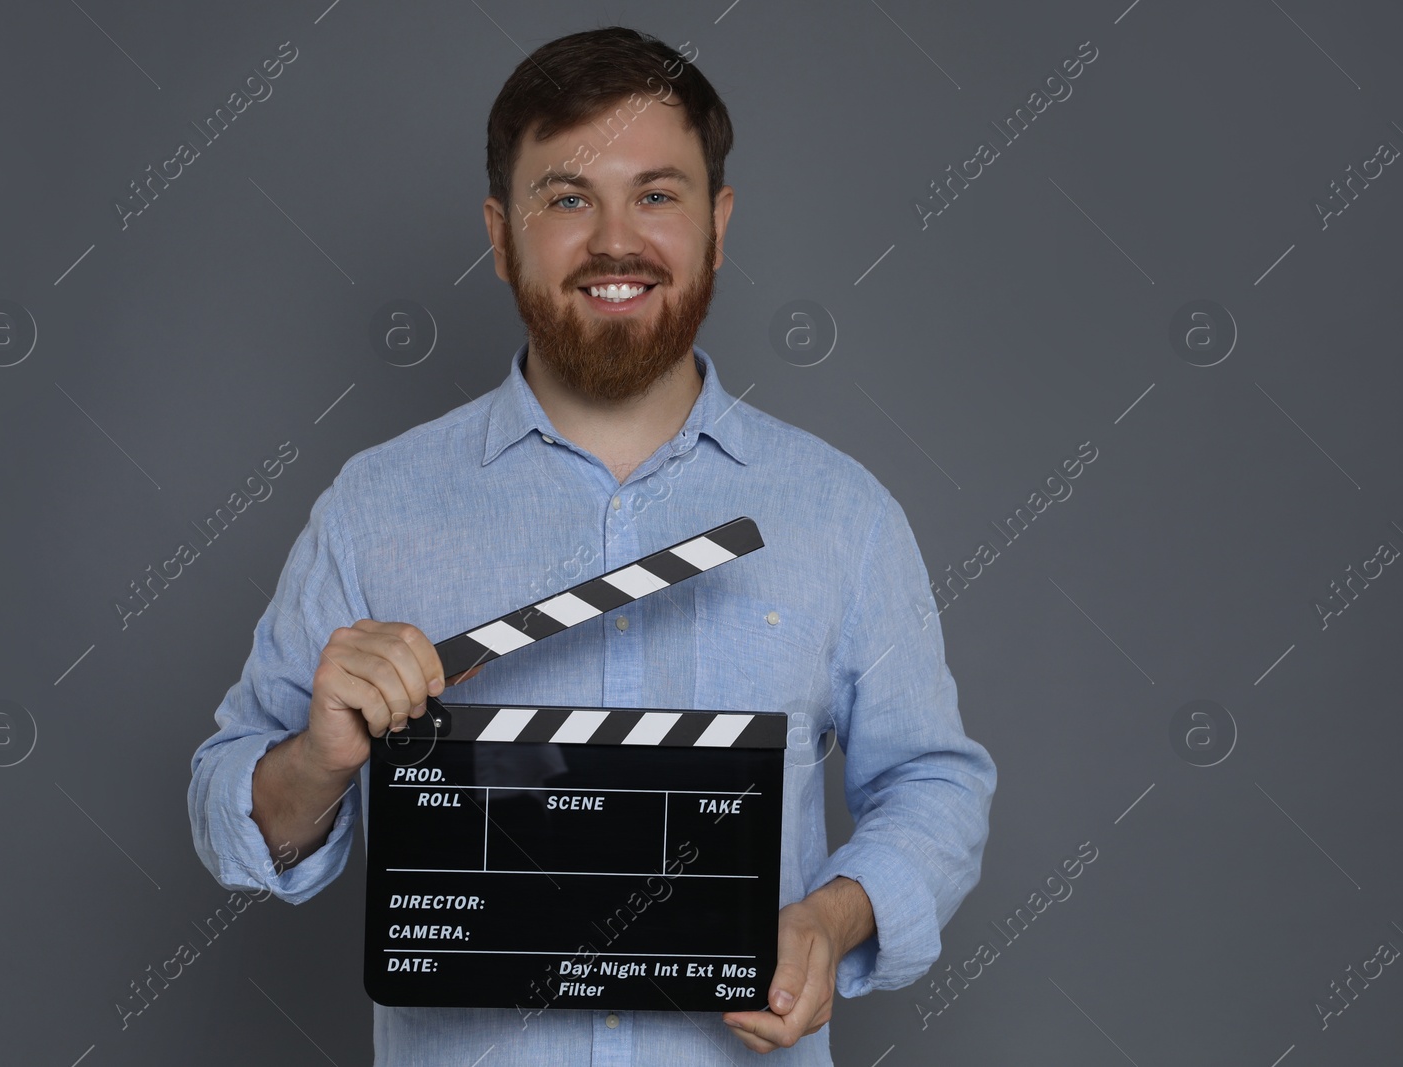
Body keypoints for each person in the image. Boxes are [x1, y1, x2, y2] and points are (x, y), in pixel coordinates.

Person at [187, 25, 996, 1065]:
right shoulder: (375, 505)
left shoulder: (839, 513)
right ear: (500, 231)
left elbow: (934, 782)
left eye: (657, 194)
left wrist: (832, 918)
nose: (616, 239)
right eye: (567, 197)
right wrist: (314, 760)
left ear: (718, 222)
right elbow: (232, 808)